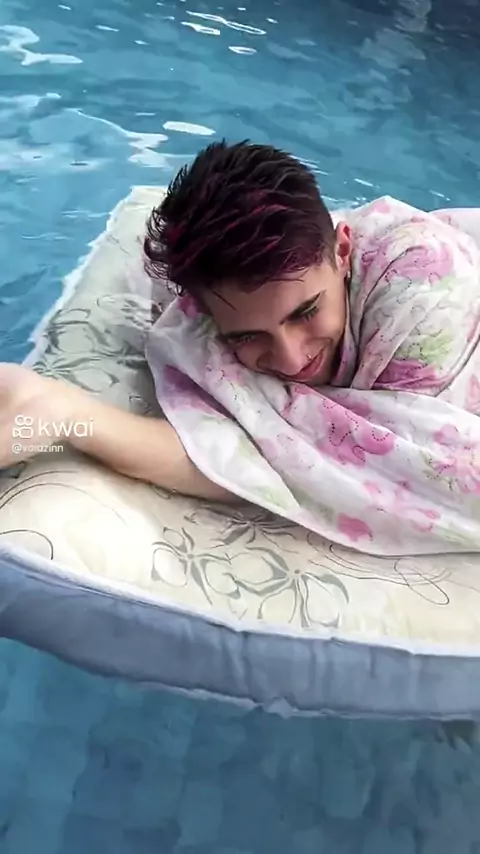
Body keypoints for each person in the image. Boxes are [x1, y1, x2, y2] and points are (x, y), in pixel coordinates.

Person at [1, 140, 480, 555]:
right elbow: (260, 457)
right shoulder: (205, 317)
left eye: (306, 311)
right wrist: (65, 416)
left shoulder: (424, 295)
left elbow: (347, 470)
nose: (291, 360)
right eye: (247, 336)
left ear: (342, 250)